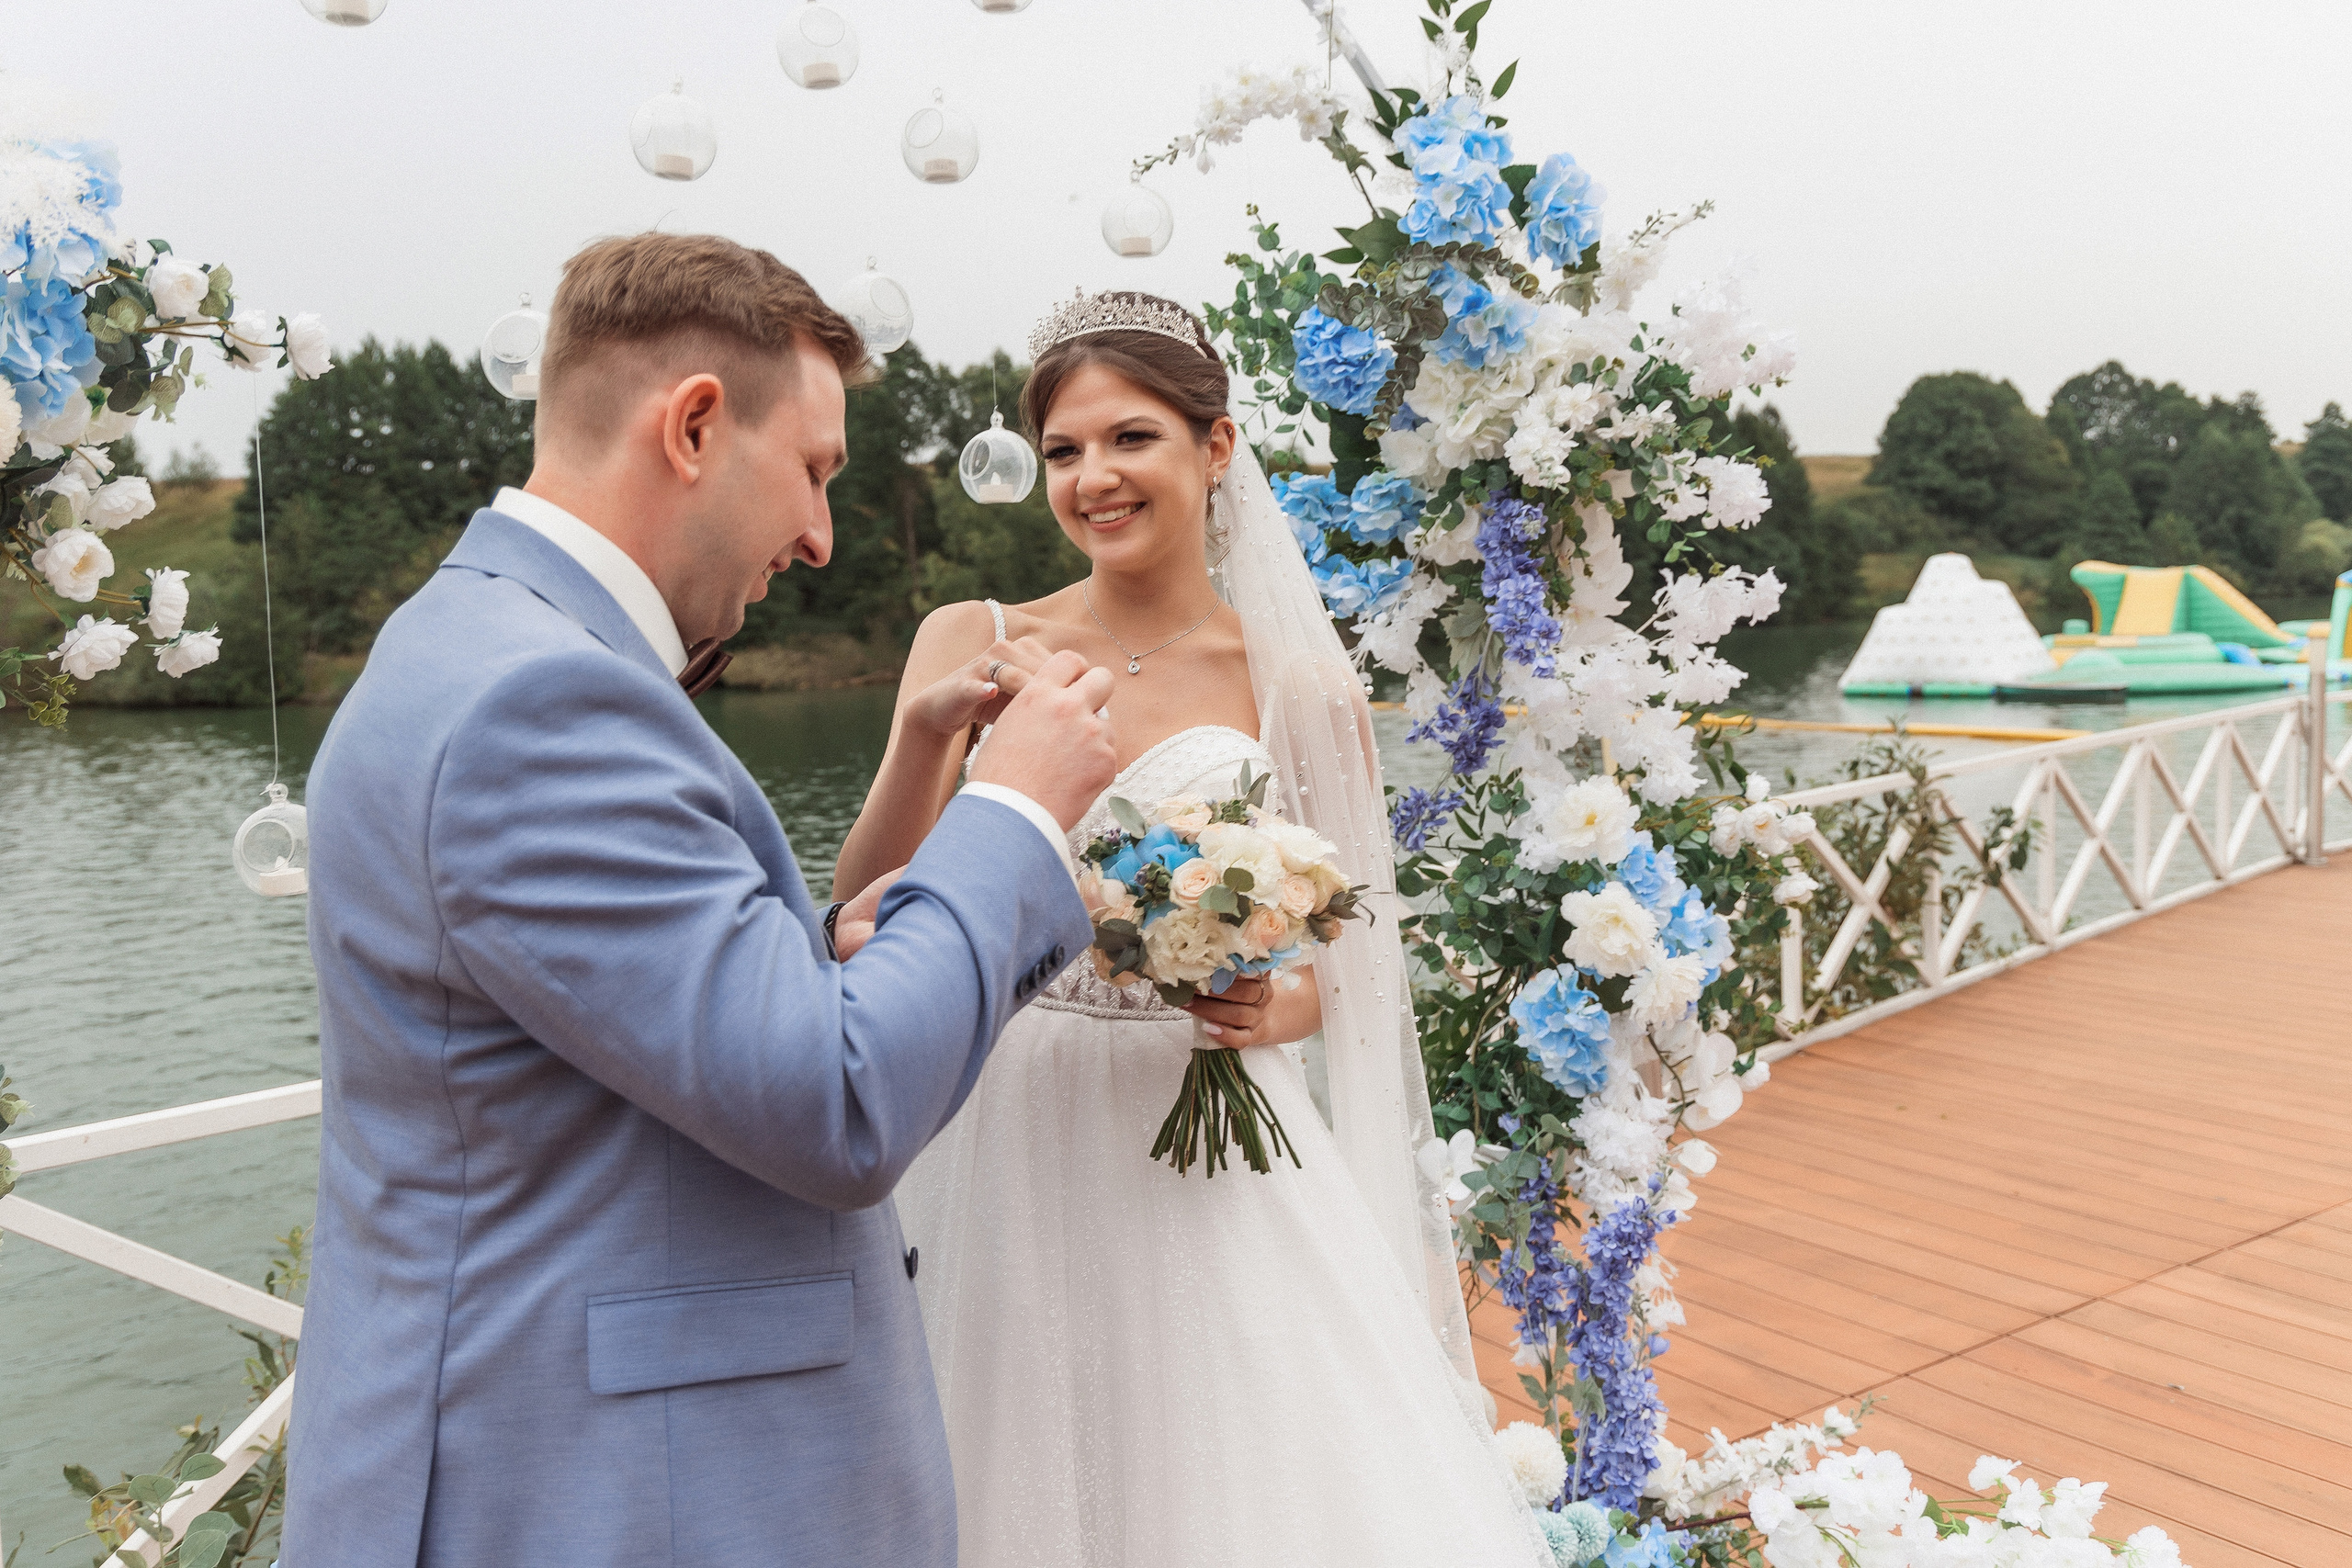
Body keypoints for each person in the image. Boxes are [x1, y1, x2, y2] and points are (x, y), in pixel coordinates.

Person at [285, 232, 1118, 1568]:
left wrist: (822, 955)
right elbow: (838, 1106)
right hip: (610, 1497)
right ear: (692, 426)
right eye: (815, 470)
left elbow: (581, 1026)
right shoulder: (539, 703)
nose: (821, 537)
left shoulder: (479, 639)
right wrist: (1013, 809)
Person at [838, 290, 1554, 1566]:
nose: (1093, 478)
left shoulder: (1294, 681)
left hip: (1200, 1130)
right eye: (1064, 450)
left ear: (1215, 448)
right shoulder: (976, 638)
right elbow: (866, 900)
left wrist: (1263, 1006)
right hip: (1000, 1108)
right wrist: (923, 735)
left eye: (1132, 438)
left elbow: (1356, 964)